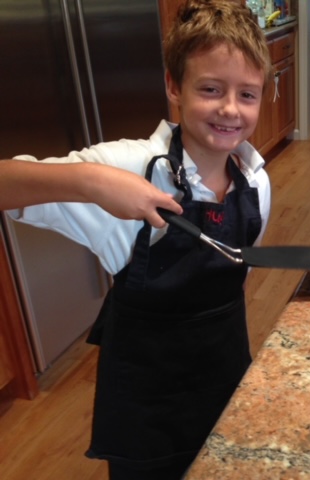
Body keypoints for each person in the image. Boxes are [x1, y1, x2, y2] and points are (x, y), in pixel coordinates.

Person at [0, 0, 272, 478]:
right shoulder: (125, 167)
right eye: (210, 89)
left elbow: (235, 280)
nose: (231, 109)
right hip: (148, 407)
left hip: (225, 374)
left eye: (247, 95)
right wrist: (91, 182)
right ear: (173, 86)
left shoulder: (255, 180)